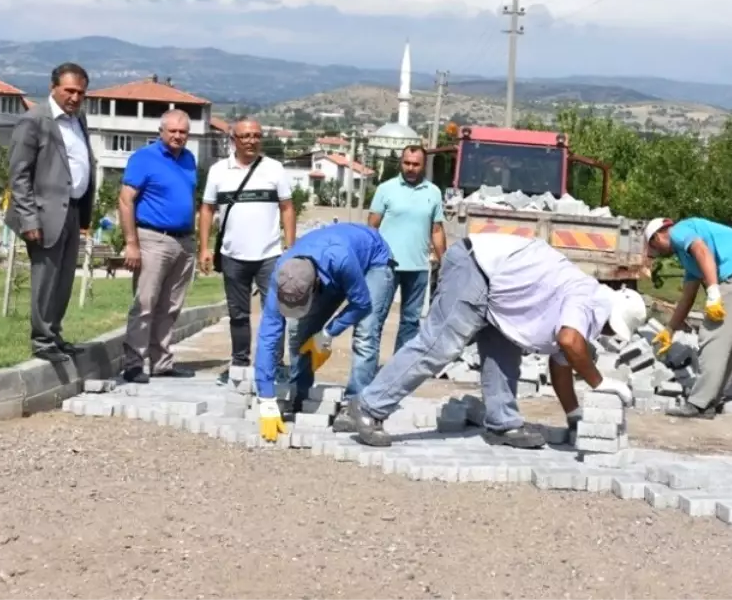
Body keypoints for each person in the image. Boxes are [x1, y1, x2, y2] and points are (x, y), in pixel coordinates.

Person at [340, 234, 648, 450]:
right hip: (477, 268)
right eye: (612, 330)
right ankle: (369, 406)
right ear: (612, 314)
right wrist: (601, 382)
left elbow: (561, 365)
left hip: (500, 291)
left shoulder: (588, 304)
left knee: (504, 352)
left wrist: (573, 415)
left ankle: (503, 423)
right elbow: (569, 342)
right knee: (439, 346)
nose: (608, 335)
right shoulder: (587, 298)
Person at [252, 222, 395, 437]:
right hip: (332, 263)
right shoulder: (281, 273)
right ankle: (300, 393)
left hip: (373, 261)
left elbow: (362, 303)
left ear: (315, 285)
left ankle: (356, 405)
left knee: (365, 333)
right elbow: (268, 335)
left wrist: (327, 333)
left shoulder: (341, 260)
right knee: (300, 332)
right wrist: (266, 398)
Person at [5, 63, 96, 363]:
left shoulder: (78, 120)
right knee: (46, 278)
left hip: (72, 210)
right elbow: (19, 175)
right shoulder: (34, 121)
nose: (74, 97)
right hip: (44, 215)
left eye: (80, 92)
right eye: (69, 90)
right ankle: (42, 340)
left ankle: (54, 334)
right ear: (53, 87)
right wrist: (28, 217)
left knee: (64, 279)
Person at [643, 217, 732, 419]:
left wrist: (713, 292)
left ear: (658, 235)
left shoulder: (678, 231)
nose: (657, 252)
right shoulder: (688, 258)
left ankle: (699, 403)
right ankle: (711, 400)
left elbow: (702, 250)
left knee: (712, 335)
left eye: (654, 245)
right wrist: (670, 329)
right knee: (727, 340)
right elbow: (688, 296)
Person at [198, 118, 296, 380]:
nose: (251, 141)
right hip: (233, 255)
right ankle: (240, 362)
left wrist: (291, 245)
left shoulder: (274, 169)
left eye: (256, 135)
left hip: (270, 255)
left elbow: (287, 207)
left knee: (274, 312)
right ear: (234, 141)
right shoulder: (218, 171)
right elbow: (206, 210)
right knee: (238, 314)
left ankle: (273, 364)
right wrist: (204, 248)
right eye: (245, 136)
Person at [118, 110, 199, 383]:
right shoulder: (143, 158)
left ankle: (162, 362)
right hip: (153, 238)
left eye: (183, 132)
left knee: (171, 305)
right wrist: (131, 243)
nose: (178, 136)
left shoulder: (189, 159)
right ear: (161, 131)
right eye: (173, 131)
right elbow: (126, 200)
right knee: (145, 303)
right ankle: (133, 363)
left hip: (184, 241)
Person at [367, 144, 447, 355]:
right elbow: (372, 227)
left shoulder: (434, 192)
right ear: (401, 163)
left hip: (418, 268)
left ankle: (397, 373)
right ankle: (368, 374)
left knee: (410, 323)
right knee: (375, 319)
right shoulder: (386, 189)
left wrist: (445, 262)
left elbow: (437, 230)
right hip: (386, 267)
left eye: (415, 164)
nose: (411, 168)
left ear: (423, 165)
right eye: (407, 163)